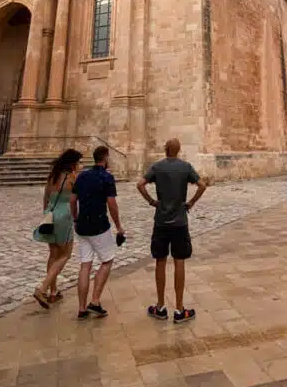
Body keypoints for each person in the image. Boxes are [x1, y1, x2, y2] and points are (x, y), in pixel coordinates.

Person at [137, 138, 208, 323]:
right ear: (179, 150)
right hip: (179, 223)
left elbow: (140, 184)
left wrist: (152, 202)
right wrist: (191, 202)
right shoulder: (186, 167)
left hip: (161, 221)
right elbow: (202, 185)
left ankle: (160, 306)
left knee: (160, 261)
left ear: (165, 149)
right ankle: (179, 308)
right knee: (179, 262)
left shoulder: (157, 167)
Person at [70, 145, 125, 320]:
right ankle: (94, 301)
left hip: (82, 227)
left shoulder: (82, 176)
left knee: (85, 265)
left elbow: (72, 199)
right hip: (99, 226)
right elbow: (112, 204)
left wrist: (75, 217)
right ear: (105, 158)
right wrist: (119, 226)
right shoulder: (106, 177)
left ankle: (81, 308)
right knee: (107, 261)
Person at [33, 149, 82, 308]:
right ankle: (42, 287)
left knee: (53, 254)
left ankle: (53, 291)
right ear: (73, 163)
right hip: (64, 214)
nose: (80, 165)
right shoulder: (72, 178)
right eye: (79, 162)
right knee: (65, 255)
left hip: (50, 214)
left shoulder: (52, 175)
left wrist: (46, 214)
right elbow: (76, 198)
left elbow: (46, 197)